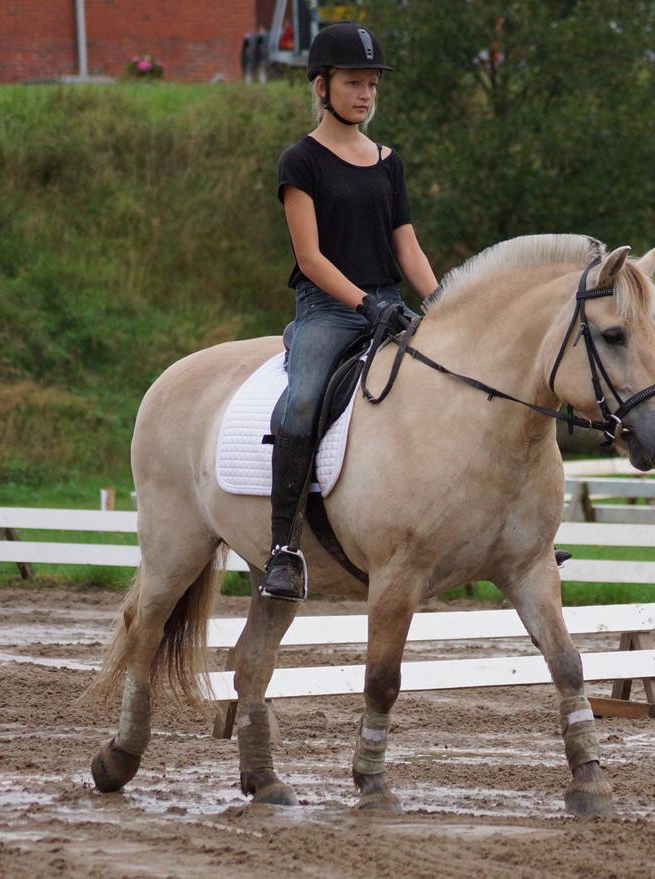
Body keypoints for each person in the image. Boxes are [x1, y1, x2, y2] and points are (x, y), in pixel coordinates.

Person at [263, 22, 440, 602]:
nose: (366, 94)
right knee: (303, 400)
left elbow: (407, 248)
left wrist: (444, 307)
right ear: (322, 86)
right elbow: (310, 258)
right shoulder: (301, 162)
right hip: (328, 308)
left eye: (372, 85)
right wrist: (365, 303)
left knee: (458, 384)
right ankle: (283, 549)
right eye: (353, 83)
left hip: (389, 303)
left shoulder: (389, 161)